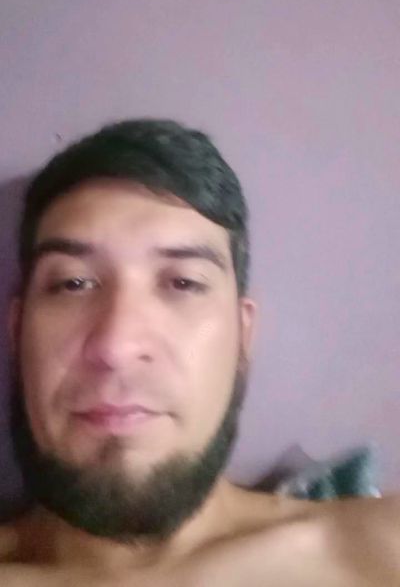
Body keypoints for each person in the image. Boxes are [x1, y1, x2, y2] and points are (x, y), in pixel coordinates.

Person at [0, 118, 399, 586]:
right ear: (16, 331)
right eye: (73, 283)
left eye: (183, 283)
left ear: (242, 335)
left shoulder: (381, 550)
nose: (117, 347)